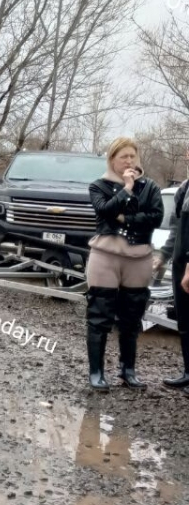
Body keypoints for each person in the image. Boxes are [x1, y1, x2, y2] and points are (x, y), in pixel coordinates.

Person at [86, 137, 164, 391]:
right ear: (112, 159)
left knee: (132, 317)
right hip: (105, 257)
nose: (129, 161)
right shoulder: (98, 185)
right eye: (124, 157)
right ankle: (96, 372)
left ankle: (128, 369)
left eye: (133, 156)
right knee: (100, 315)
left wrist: (125, 218)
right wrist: (127, 189)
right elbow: (104, 210)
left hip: (138, 258)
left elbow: (156, 217)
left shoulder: (150, 187)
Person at [158, 165, 189, 386]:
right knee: (185, 320)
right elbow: (176, 230)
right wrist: (163, 256)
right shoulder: (184, 189)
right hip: (180, 266)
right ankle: (188, 374)